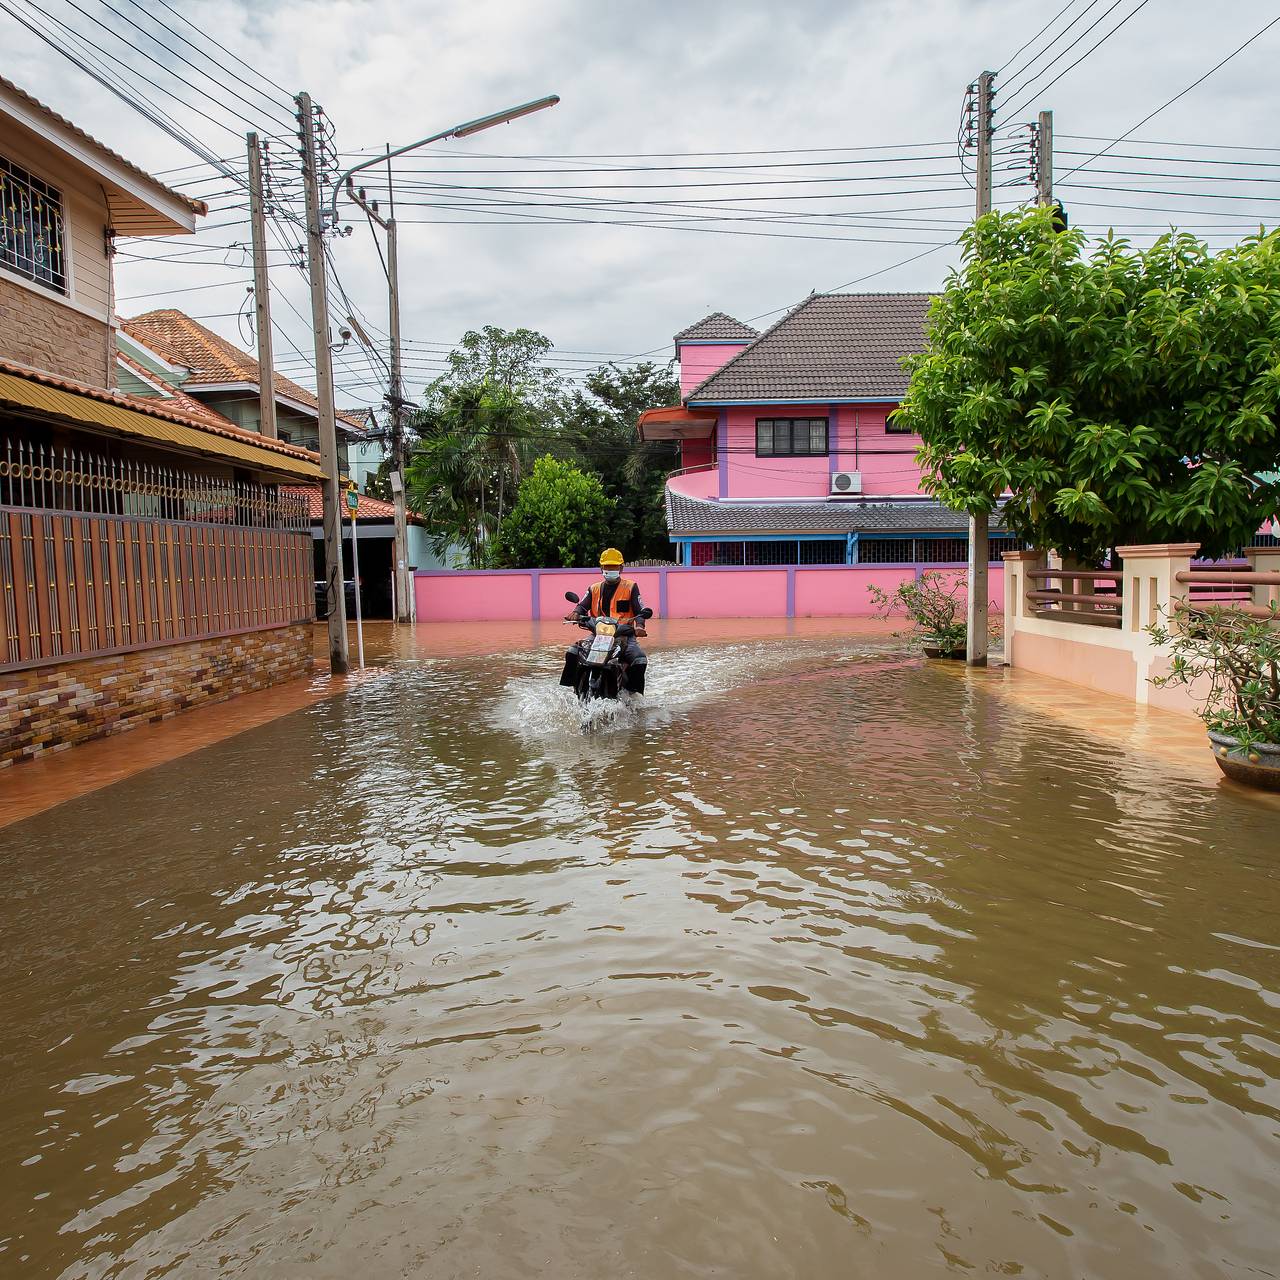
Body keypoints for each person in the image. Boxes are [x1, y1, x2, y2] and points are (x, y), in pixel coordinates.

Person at [559, 548, 648, 694]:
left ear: (621, 568)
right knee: (573, 651)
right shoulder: (594, 588)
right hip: (597, 633)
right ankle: (571, 689)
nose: (610, 570)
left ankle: (635, 696)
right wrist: (575, 613)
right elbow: (582, 605)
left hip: (623, 634)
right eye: (607, 567)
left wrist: (639, 626)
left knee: (639, 659)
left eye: (614, 567)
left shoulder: (631, 587)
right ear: (601, 568)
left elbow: (640, 611)